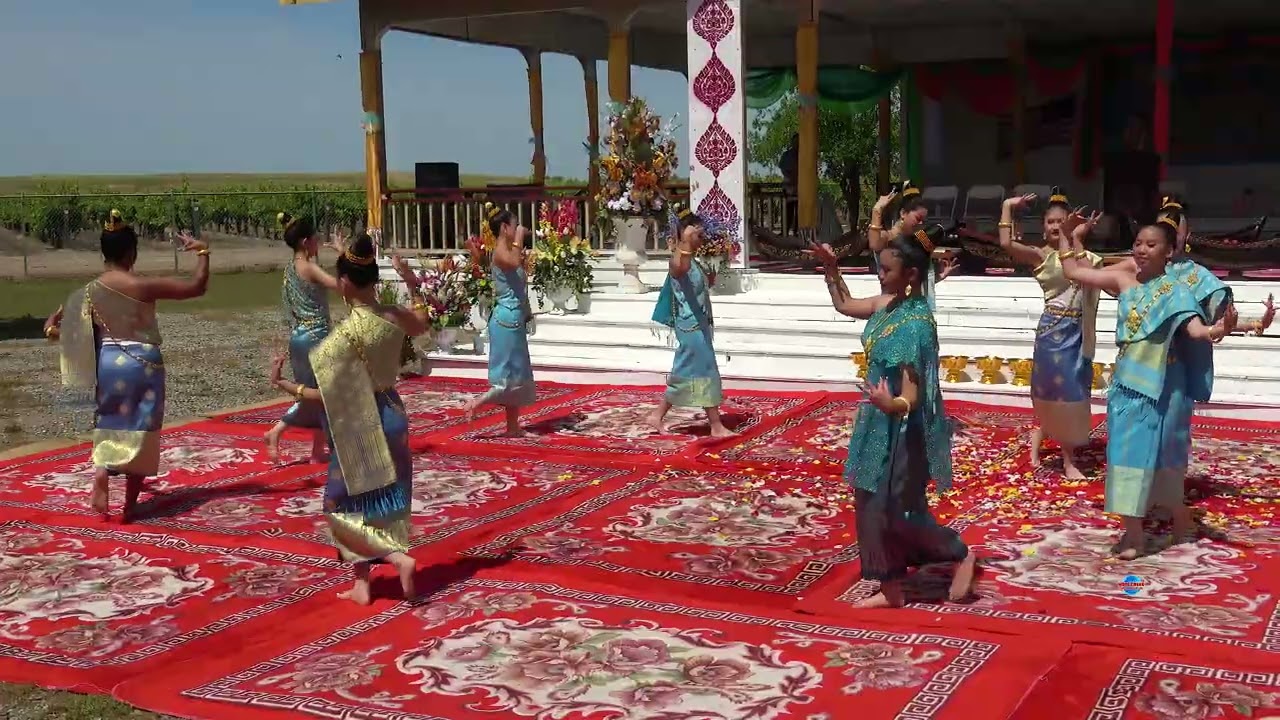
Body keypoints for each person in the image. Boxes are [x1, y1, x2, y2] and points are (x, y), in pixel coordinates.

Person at [809, 226, 975, 608]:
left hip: (901, 429)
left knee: (890, 508)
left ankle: (948, 557)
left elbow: (913, 396)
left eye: (886, 270)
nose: (880, 275)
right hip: (878, 419)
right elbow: (845, 305)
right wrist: (832, 269)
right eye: (878, 268)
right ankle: (897, 583)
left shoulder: (915, 325)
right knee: (870, 501)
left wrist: (891, 405)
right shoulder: (888, 306)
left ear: (911, 276)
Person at [1060, 208, 1234, 559]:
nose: (1141, 249)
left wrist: (1218, 330)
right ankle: (1134, 534)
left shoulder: (1177, 291)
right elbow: (1073, 271)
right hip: (1127, 386)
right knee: (1125, 456)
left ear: (1168, 251)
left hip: (1163, 386)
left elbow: (1196, 329)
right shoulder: (1124, 280)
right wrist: (1070, 236)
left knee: (1164, 458)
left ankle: (1179, 515)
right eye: (1138, 243)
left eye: (1150, 244)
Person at [268, 233, 431, 605]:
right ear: (375, 280)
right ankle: (363, 583)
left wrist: (285, 386)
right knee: (384, 499)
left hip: (360, 421)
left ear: (343, 284)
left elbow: (325, 398)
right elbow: (422, 321)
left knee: (340, 504)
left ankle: (395, 559)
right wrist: (410, 282)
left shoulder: (341, 339)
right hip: (393, 412)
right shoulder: (392, 316)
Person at [45, 209, 209, 521]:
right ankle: (130, 505)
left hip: (109, 363)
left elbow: (58, 329)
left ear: (104, 252)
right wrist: (203, 251)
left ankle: (102, 472)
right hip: (143, 363)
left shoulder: (88, 293)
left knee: (109, 421)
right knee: (142, 429)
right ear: (131, 252)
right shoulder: (142, 286)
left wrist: (51, 324)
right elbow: (196, 287)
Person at [988, 188, 1100, 479]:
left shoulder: (1089, 259)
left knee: (1072, 391)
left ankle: (1056, 449)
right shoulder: (1040, 256)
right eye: (1050, 222)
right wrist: (1007, 207)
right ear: (1043, 227)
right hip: (1053, 333)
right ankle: (1067, 460)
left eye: (1061, 222)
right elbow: (1005, 242)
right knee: (1052, 391)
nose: (1054, 227)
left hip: (1078, 331)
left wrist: (1075, 240)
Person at [263, 212, 343, 464]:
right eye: (316, 239)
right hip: (315, 336)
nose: (319, 242)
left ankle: (317, 450)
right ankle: (277, 431)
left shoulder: (289, 269)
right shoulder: (308, 267)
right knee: (321, 394)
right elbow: (342, 285)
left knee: (315, 394)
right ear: (306, 241)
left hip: (299, 336)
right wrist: (343, 255)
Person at [648, 208, 735, 437]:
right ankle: (716, 425)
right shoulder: (678, 259)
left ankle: (657, 415)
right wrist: (685, 241)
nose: (701, 238)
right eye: (698, 234)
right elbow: (680, 269)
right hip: (690, 327)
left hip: (699, 325)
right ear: (685, 234)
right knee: (704, 371)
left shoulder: (694, 261)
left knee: (688, 371)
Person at [464, 203, 535, 436]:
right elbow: (513, 262)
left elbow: (519, 282)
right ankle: (475, 404)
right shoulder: (500, 252)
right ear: (505, 228)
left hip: (513, 316)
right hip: (505, 318)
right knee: (505, 378)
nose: (517, 229)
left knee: (515, 373)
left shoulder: (506, 250)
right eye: (513, 226)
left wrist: (528, 312)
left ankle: (513, 427)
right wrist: (520, 239)